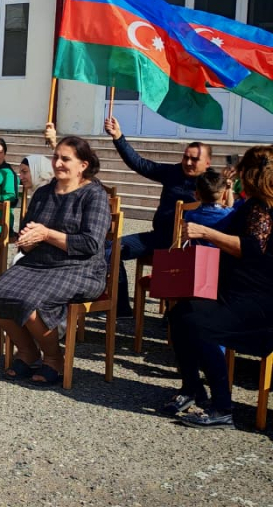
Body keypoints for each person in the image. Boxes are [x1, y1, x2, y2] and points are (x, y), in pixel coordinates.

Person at [163, 145, 273, 429]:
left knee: (196, 322)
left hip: (257, 301)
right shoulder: (253, 203)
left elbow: (252, 248)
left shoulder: (263, 207)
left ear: (252, 173)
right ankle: (192, 389)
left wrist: (205, 231)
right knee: (178, 315)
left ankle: (222, 407)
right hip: (237, 292)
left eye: (241, 168)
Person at [0, 137, 110, 386]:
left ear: (83, 165)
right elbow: (29, 230)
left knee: (31, 303)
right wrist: (28, 240)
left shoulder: (94, 195)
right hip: (38, 263)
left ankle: (54, 358)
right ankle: (29, 351)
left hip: (80, 268)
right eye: (56, 157)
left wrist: (46, 234)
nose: (58, 163)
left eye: (66, 159)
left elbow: (90, 244)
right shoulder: (43, 192)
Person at [105, 116, 213, 317]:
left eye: (194, 159)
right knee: (112, 250)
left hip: (189, 246)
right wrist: (118, 137)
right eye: (185, 157)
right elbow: (140, 164)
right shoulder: (172, 172)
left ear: (207, 163)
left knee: (179, 313)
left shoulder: (212, 184)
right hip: (159, 237)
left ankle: (175, 317)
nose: (188, 162)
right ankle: (121, 307)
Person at [183, 170, 235, 245]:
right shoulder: (230, 214)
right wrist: (229, 189)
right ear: (224, 195)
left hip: (198, 255)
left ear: (196, 195)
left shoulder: (190, 215)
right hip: (223, 255)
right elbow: (230, 205)